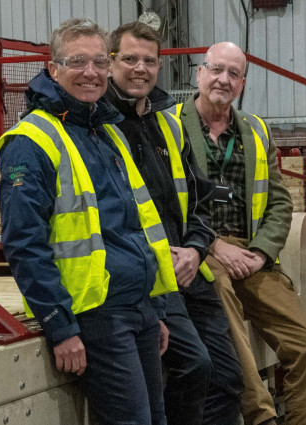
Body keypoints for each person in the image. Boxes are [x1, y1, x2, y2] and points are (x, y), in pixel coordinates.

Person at [0, 18, 178, 425]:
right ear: (52, 68)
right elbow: (25, 244)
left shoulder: (107, 132)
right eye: (77, 62)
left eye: (99, 61)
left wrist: (156, 308)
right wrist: (60, 326)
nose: (91, 73)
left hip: (139, 307)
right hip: (97, 314)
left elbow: (135, 225)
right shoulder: (31, 142)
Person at [172, 42, 306, 425]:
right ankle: (262, 417)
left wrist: (259, 253)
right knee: (223, 308)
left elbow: (279, 203)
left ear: (242, 83)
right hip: (202, 249)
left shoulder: (255, 130)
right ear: (200, 73)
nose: (224, 79)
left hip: (252, 255)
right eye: (217, 69)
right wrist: (214, 245)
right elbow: (167, 204)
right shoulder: (169, 126)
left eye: (234, 74)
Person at [105, 22, 243, 425]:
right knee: (196, 367)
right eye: (129, 59)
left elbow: (198, 201)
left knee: (228, 377)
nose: (140, 69)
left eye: (149, 60)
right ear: (111, 61)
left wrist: (197, 248)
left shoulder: (168, 124)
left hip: (188, 270)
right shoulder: (102, 130)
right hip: (147, 275)